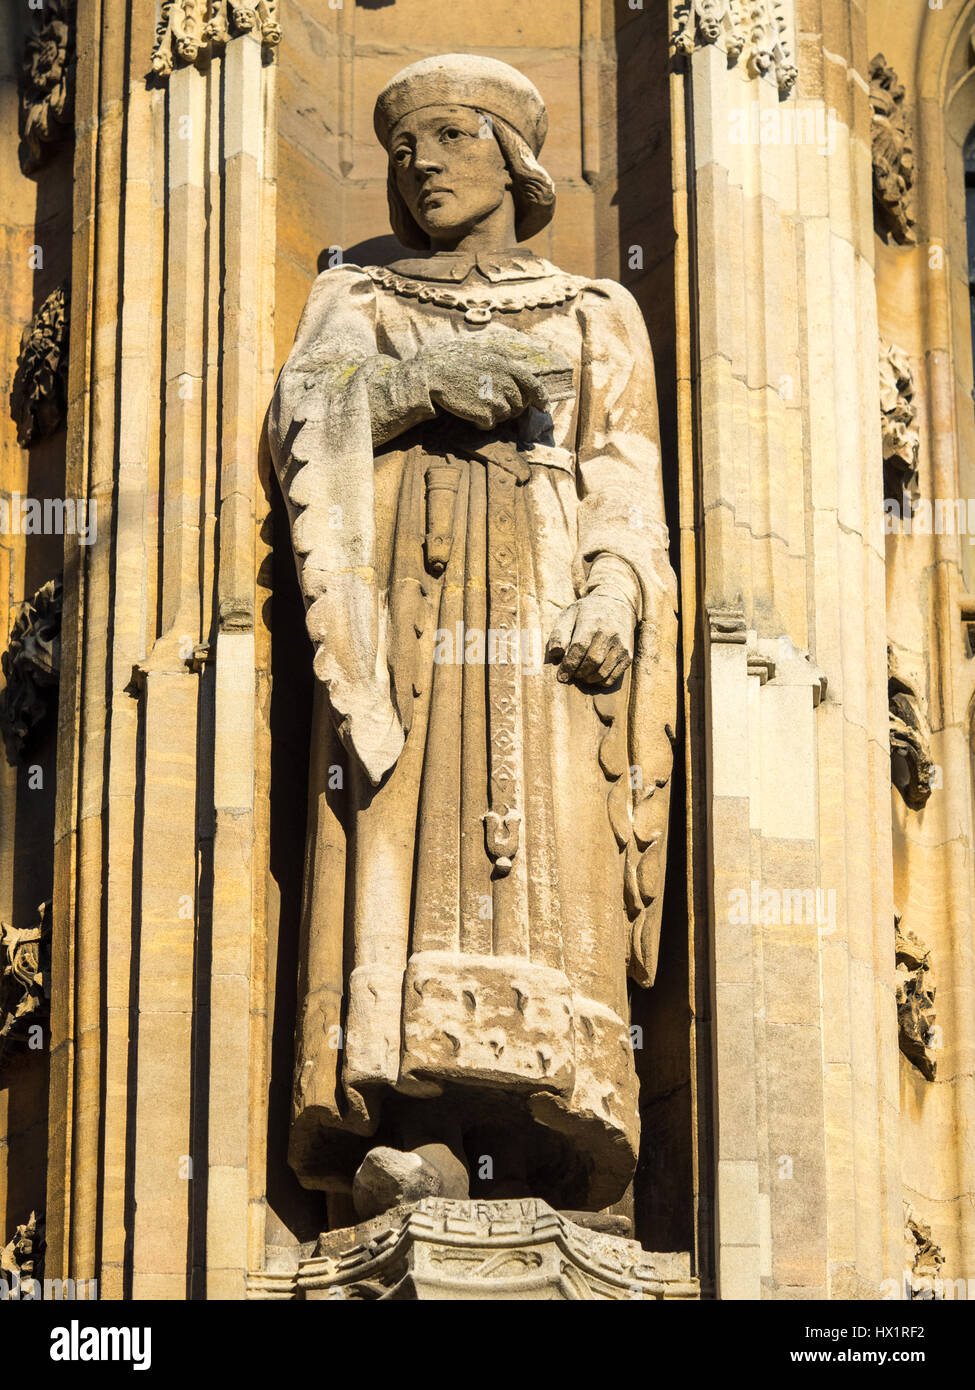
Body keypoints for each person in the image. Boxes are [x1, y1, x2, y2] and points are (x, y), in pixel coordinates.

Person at [269, 53, 678, 1221]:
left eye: (449, 137)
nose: (420, 163)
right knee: (407, 834)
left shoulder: (596, 309)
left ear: (512, 157)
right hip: (411, 593)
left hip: (543, 595)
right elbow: (309, 414)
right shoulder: (359, 295)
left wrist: (613, 587)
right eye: (404, 147)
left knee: (549, 834)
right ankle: (421, 1125)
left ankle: (551, 1124)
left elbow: (625, 466)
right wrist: (431, 382)